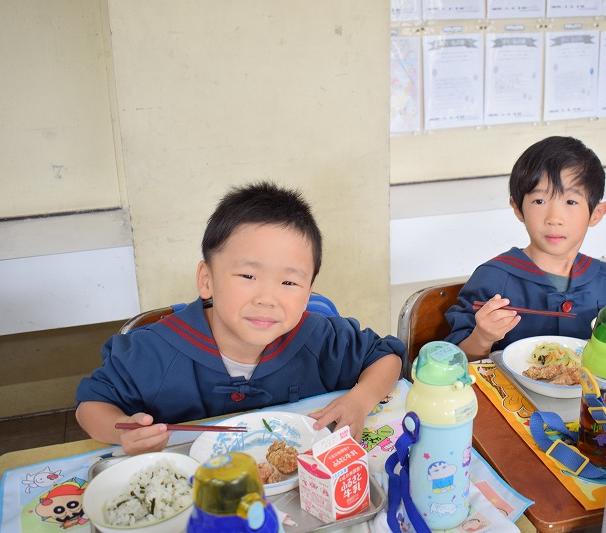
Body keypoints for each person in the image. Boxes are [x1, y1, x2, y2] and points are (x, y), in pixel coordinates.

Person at [76, 181, 405, 455]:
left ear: (308, 293)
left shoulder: (320, 338)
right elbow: (91, 406)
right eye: (248, 276)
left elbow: (385, 356)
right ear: (207, 279)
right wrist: (123, 431)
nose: (267, 298)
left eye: (289, 282)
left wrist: (361, 399)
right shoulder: (152, 351)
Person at [444, 136, 606, 360]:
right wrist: (482, 337)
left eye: (571, 201)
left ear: (596, 214)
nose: (554, 218)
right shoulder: (493, 278)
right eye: (539, 201)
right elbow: (456, 358)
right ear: (518, 209)